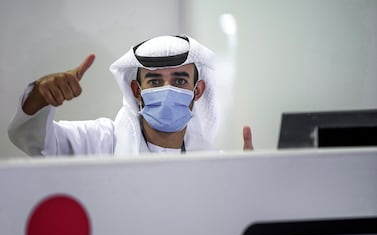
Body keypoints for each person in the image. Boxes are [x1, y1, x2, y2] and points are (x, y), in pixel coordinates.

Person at [8, 35, 253, 156]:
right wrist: (40, 94)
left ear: (197, 91)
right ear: (137, 91)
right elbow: (35, 140)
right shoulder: (102, 142)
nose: (167, 90)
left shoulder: (212, 162)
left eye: (179, 80)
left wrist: (251, 180)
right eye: (155, 81)